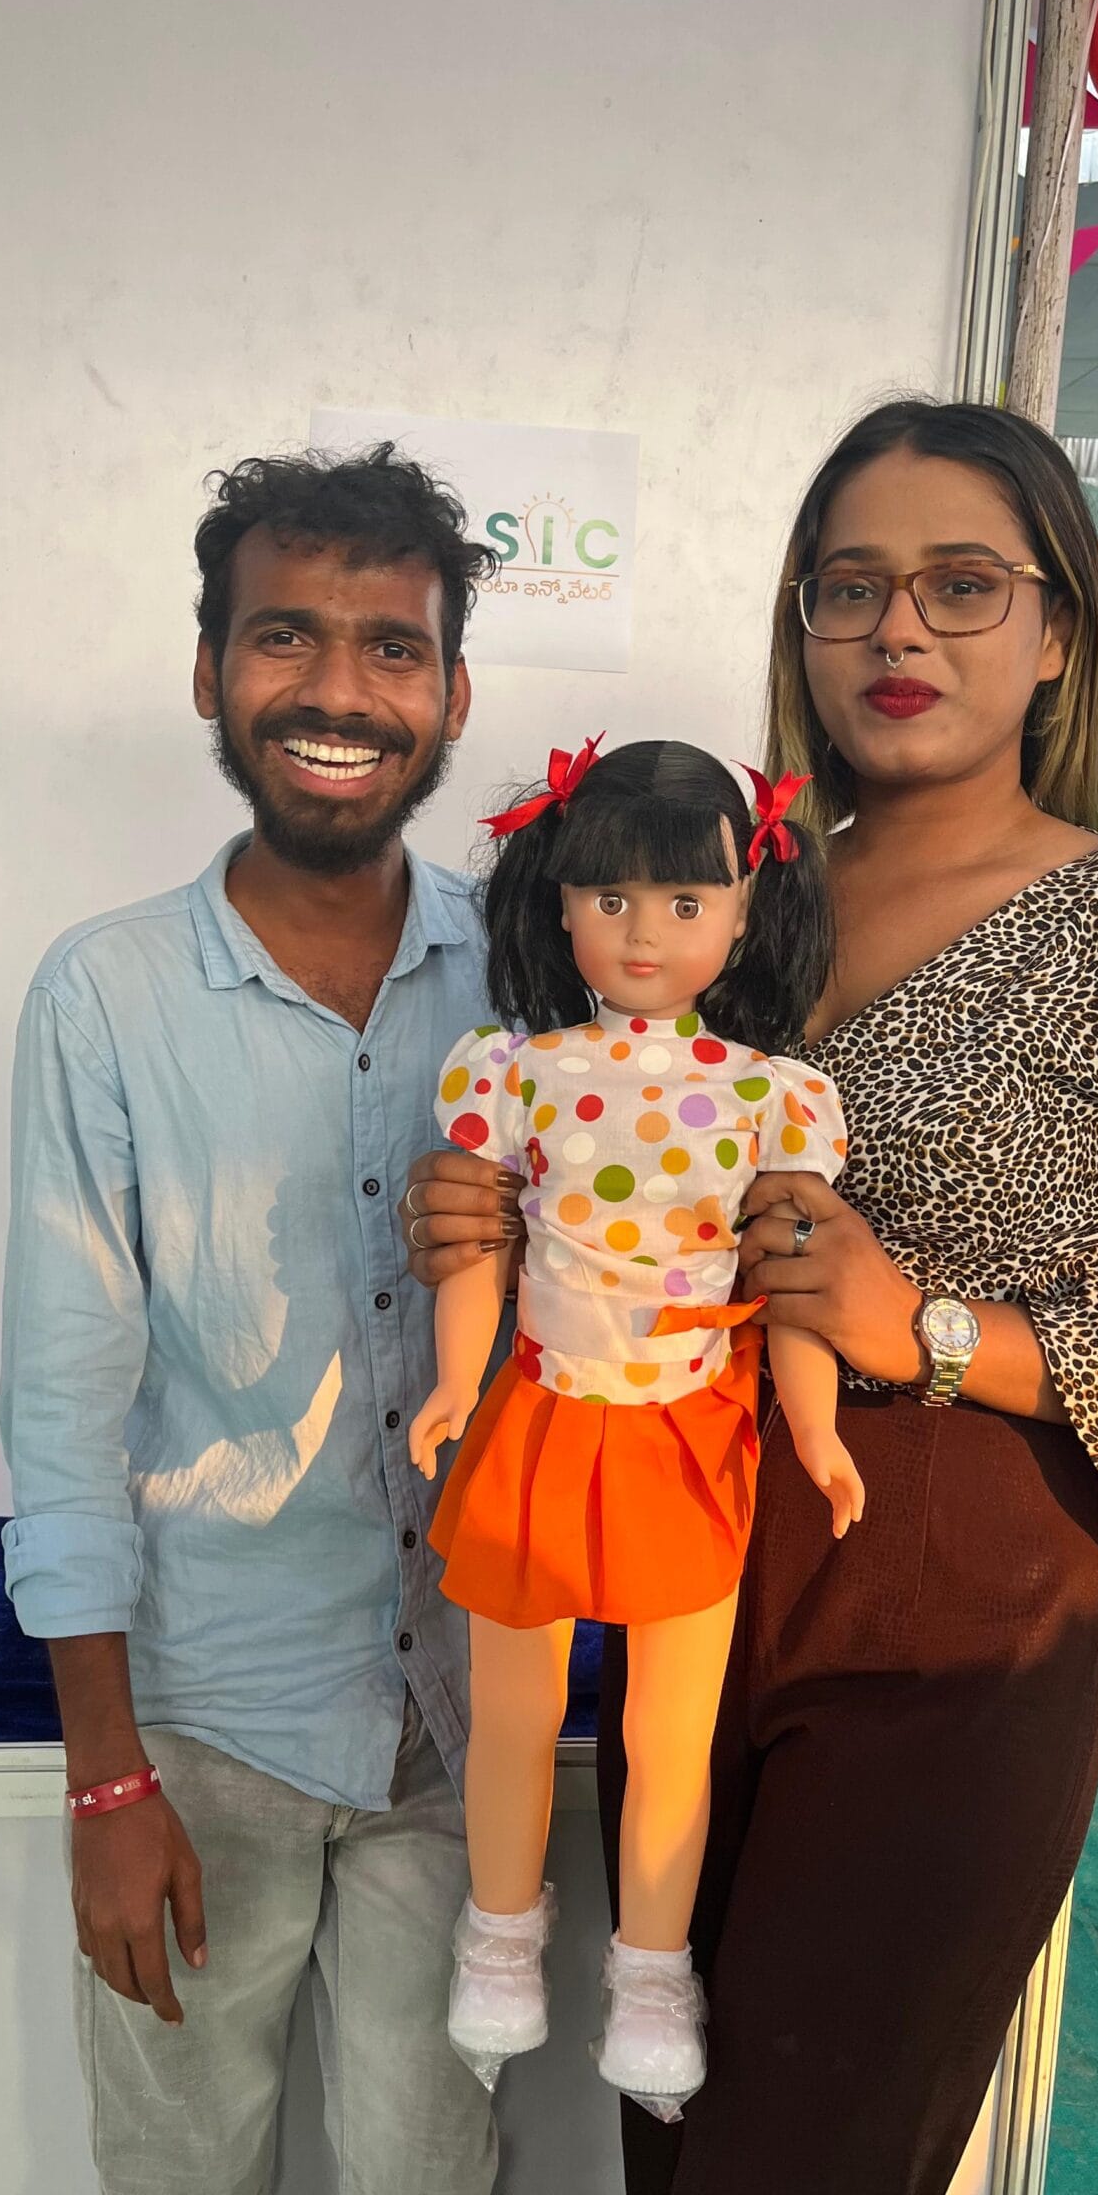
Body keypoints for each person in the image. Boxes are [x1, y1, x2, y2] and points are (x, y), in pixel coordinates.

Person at [405, 397, 1098, 2195]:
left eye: (961, 584)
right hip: (690, 1581)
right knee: (684, 2177)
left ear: (1060, 631)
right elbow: (610, 1160)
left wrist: (926, 1324)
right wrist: (485, 1217)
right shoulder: (739, 900)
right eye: (850, 586)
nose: (898, 629)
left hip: (958, 1630)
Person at [0, 445, 505, 2195]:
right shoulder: (107, 992)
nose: (340, 688)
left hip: (461, 1729)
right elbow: (64, 1395)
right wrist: (106, 1776)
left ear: (451, 693)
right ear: (209, 670)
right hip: (201, 1729)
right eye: (287, 635)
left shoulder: (536, 975)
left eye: (392, 646)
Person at [409, 738, 848, 2113]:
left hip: (691, 1427)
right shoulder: (515, 1071)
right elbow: (478, 1242)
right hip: (542, 1411)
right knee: (513, 1710)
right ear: (559, 907)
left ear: (744, 915)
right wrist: (454, 1379)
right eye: (610, 899)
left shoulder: (774, 1095)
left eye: (684, 902)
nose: (643, 931)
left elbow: (791, 1277)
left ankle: (653, 1967)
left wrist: (816, 1430)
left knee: (672, 1729)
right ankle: (500, 1937)